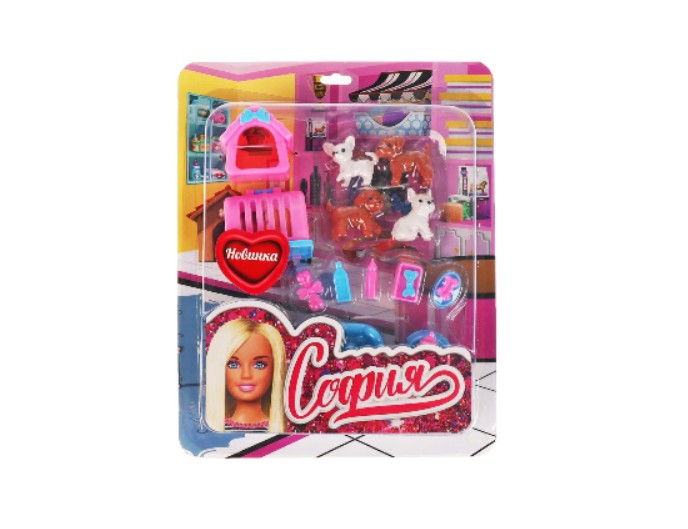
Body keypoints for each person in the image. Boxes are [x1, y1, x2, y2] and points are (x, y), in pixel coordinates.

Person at [205, 319, 286, 432]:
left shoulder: (283, 431)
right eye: (233, 365)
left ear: (274, 368)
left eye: (259, 365)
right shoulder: (210, 430)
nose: (246, 375)